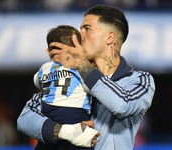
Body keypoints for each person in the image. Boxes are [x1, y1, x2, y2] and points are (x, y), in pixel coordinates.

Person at [17, 4, 155, 150]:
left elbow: (123, 105)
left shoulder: (140, 80)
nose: (79, 35)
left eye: (87, 29)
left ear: (109, 37)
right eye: (80, 28)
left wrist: (81, 64)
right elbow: (25, 119)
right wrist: (65, 131)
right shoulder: (70, 75)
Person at [33, 25, 98, 150]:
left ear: (48, 51)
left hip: (50, 120)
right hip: (76, 118)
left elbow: (37, 82)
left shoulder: (44, 68)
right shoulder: (81, 68)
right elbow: (93, 89)